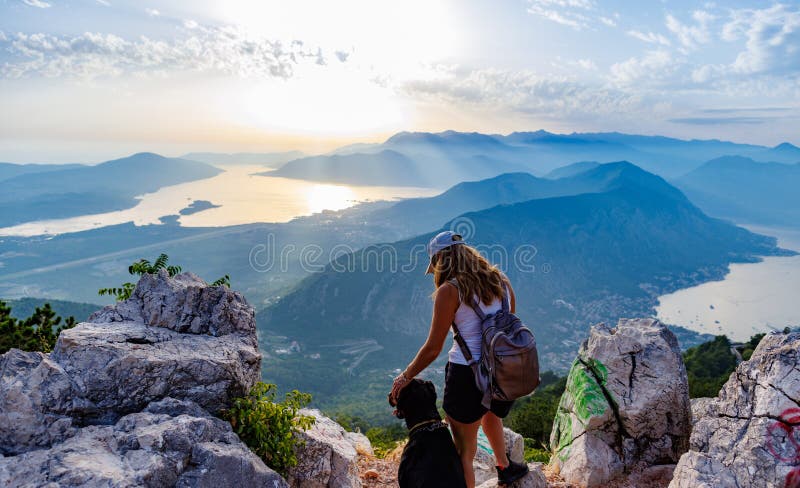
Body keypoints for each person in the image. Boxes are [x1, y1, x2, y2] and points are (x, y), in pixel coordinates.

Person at [390, 231, 529, 487]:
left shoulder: (450, 291)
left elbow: (433, 348)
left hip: (466, 375)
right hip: (502, 371)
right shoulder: (503, 282)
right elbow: (507, 329)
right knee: (490, 413)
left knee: (465, 454)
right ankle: (505, 466)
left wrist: (405, 376)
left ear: (441, 258)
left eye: (434, 265)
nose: (434, 272)